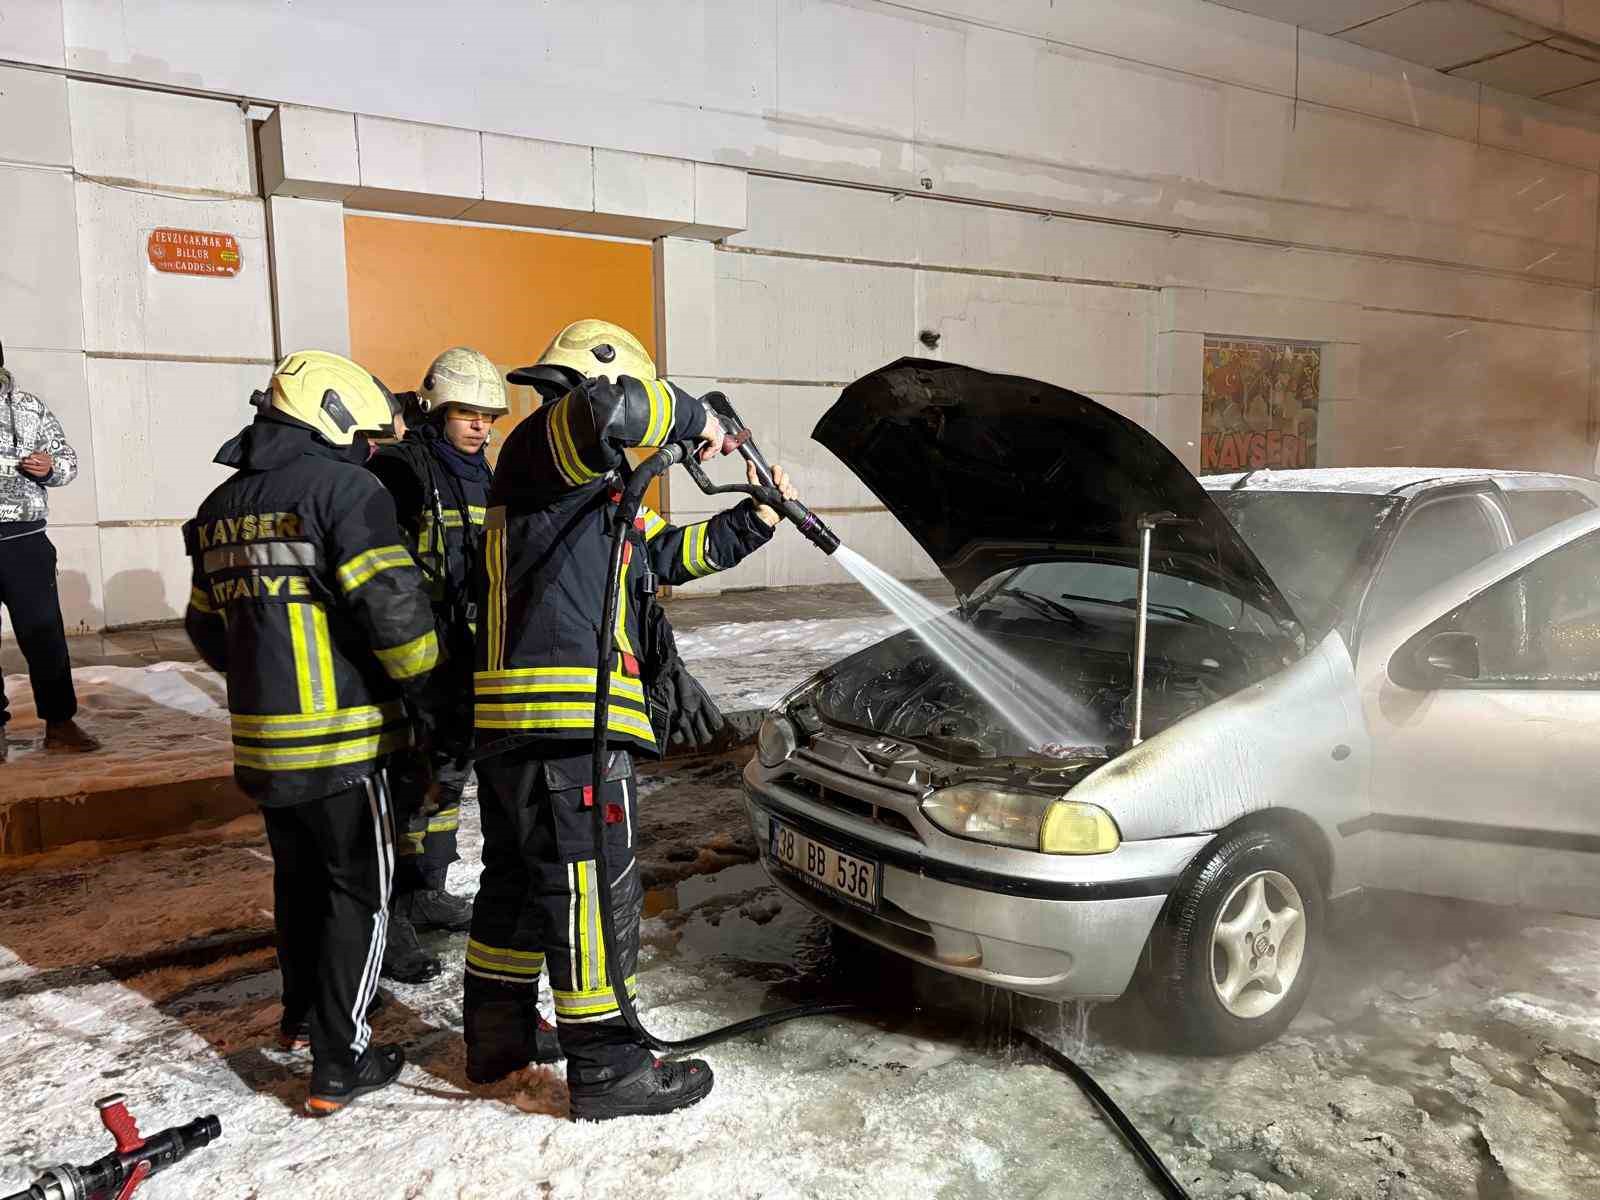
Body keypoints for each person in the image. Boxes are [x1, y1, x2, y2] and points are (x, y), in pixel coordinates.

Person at [463, 319, 799, 1120]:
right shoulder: (552, 437)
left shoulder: (582, 489)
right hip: (566, 715)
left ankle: (499, 1035)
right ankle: (609, 1066)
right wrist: (699, 420)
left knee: (518, 880)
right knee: (589, 885)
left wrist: (756, 521)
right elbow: (609, 410)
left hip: (528, 719)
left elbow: (663, 558)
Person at [182, 350, 446, 1116]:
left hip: (261, 744)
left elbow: (206, 632)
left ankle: (300, 1022)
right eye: (362, 437)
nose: (370, 451)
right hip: (344, 744)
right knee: (358, 894)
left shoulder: (219, 504)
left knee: (297, 887)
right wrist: (431, 693)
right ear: (330, 420)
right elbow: (396, 618)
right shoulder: (345, 490)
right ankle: (341, 1060)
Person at [367, 348, 505, 983]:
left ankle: (429, 887)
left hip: (468, 649)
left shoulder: (490, 474)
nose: (479, 426)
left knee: (451, 773)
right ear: (438, 409)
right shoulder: (405, 468)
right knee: (405, 783)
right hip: (415, 652)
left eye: (487, 415)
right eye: (467, 414)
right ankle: (389, 918)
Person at [0, 341, 99, 761]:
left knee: (44, 635)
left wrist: (51, 467)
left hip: (24, 541)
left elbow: (67, 459)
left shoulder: (28, 407)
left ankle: (60, 722)